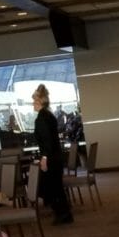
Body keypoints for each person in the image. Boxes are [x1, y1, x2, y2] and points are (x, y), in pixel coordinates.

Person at [32, 84, 73, 225]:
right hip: (56, 157)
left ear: (39, 102)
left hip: (51, 158)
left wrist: (44, 158)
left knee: (52, 187)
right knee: (57, 187)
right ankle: (64, 214)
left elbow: (46, 141)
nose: (33, 105)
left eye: (34, 102)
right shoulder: (49, 115)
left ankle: (62, 214)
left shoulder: (41, 118)